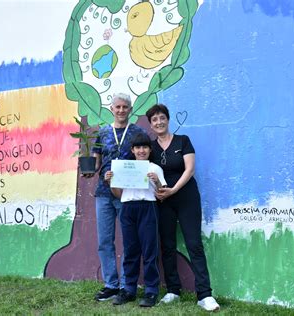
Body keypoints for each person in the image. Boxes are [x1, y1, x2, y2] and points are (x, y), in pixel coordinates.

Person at [145, 104, 220, 311]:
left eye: (162, 118)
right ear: (151, 124)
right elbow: (147, 174)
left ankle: (204, 294)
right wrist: (159, 192)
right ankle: (172, 291)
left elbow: (190, 169)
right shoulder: (150, 148)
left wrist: (173, 189)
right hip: (163, 201)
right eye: (154, 120)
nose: (159, 122)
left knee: (194, 244)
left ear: (168, 120)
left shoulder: (183, 141)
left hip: (186, 197)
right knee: (167, 246)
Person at [89, 93, 145, 301]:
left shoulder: (138, 132)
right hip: (103, 194)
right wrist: (88, 169)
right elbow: (95, 163)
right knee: (105, 240)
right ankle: (110, 284)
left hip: (128, 194)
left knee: (129, 241)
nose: (121, 110)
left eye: (125, 107)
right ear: (111, 109)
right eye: (117, 107)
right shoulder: (103, 133)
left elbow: (143, 159)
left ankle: (126, 285)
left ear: (130, 110)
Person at [104, 133, 166, 307]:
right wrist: (111, 182)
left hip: (148, 208)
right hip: (128, 208)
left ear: (149, 149)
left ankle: (151, 291)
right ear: (132, 150)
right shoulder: (124, 168)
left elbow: (162, 195)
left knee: (149, 251)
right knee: (130, 250)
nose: (141, 150)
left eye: (144, 147)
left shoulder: (154, 168)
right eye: (137, 147)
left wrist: (157, 183)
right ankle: (129, 289)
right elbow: (118, 194)